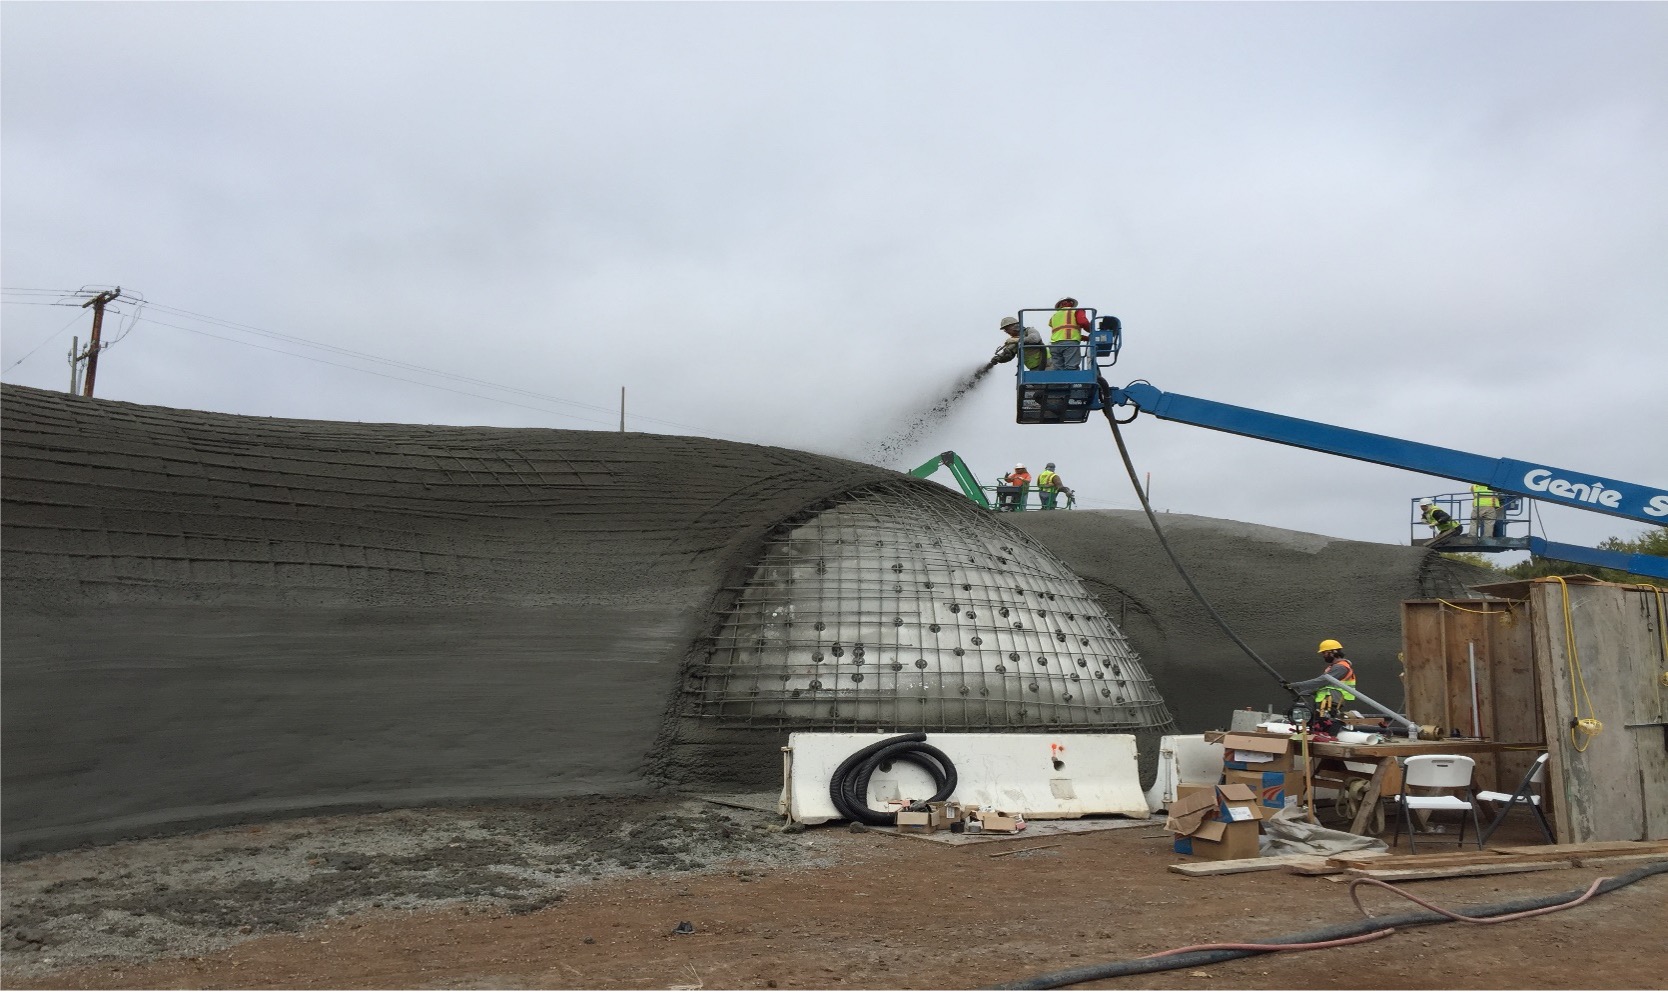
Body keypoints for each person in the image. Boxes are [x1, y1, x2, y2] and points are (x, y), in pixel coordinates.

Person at [1313, 639, 1358, 716]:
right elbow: (1324, 684)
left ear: (1334, 652)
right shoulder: (1333, 667)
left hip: (1332, 701)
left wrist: (1298, 685)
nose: (1323, 655)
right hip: (1327, 701)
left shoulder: (1340, 667)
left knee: (1329, 721)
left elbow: (1322, 681)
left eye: (1324, 652)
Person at [1048, 297, 1090, 371]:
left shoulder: (1054, 317)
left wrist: (1085, 338)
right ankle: (1073, 382)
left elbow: (1064, 331)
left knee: (1058, 370)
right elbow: (1083, 322)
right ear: (1071, 303)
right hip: (1069, 344)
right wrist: (1092, 331)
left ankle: (1059, 382)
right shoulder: (1075, 311)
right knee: (1071, 368)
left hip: (1054, 345)